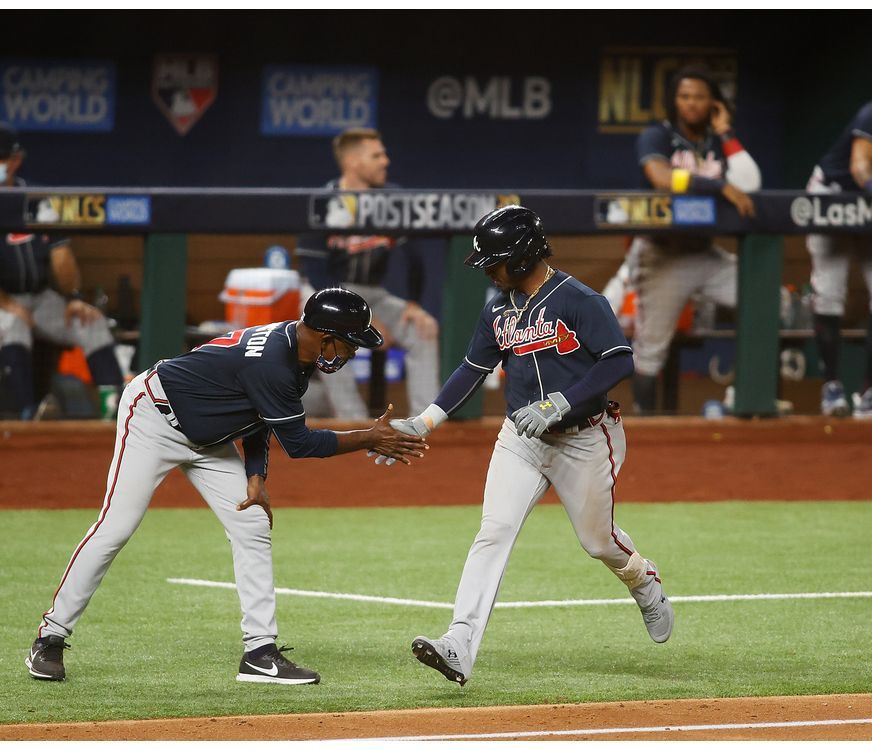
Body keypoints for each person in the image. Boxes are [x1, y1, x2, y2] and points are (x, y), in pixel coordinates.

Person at [27, 288, 427, 684]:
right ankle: (50, 637)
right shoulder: (275, 361)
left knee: (252, 525)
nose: (352, 353)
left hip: (209, 438)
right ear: (326, 337)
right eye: (350, 344)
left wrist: (257, 476)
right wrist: (369, 437)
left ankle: (260, 653)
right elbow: (300, 444)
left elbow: (258, 416)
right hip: (153, 416)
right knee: (115, 528)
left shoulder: (295, 351)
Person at [377, 206, 673, 686]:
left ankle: (643, 579)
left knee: (598, 542)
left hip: (584, 439)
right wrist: (425, 422)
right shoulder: (498, 307)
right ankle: (459, 643)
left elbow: (619, 361)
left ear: (519, 257)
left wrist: (563, 401)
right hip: (521, 439)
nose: (488, 271)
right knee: (492, 532)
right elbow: (473, 367)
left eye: (492, 261)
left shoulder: (579, 299)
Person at [0, 121, 122, 419]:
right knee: (13, 323)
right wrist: (9, 305)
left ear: (16, 160)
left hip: (34, 298)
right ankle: (25, 415)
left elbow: (61, 254)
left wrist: (73, 296)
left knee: (92, 322)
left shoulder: (37, 199)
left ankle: (116, 411)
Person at [628, 67, 761, 414]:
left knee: (763, 300)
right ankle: (644, 424)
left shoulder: (718, 142)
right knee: (651, 350)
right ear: (674, 101)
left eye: (700, 97)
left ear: (713, 102)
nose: (691, 103)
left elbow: (750, 184)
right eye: (684, 96)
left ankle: (751, 401)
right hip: (663, 254)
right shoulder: (657, 135)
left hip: (706, 255)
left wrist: (726, 131)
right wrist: (717, 186)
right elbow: (660, 177)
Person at [295, 128, 439, 419]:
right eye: (376, 155)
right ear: (353, 162)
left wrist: (413, 304)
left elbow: (413, 257)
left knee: (424, 329)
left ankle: (425, 421)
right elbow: (316, 271)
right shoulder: (322, 202)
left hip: (373, 293)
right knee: (325, 327)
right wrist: (361, 320)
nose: (385, 161)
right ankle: (353, 424)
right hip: (325, 293)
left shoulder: (391, 200)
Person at [804, 100, 872, 418]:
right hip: (832, 195)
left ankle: (869, 391)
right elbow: (860, 167)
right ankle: (831, 386)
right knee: (829, 294)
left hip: (867, 205)